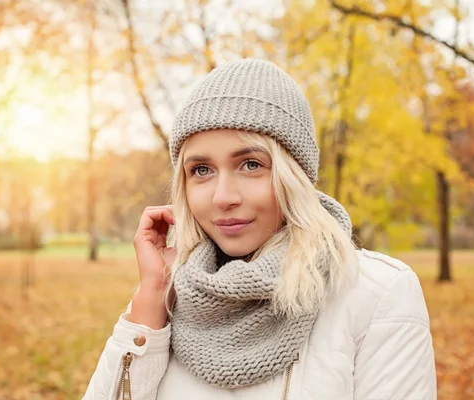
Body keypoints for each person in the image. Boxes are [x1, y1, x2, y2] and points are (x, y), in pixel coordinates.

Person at [83, 59, 437, 400]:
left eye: (251, 164)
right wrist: (153, 296)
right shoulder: (171, 296)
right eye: (202, 170)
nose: (223, 197)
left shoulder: (377, 294)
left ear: (293, 175)